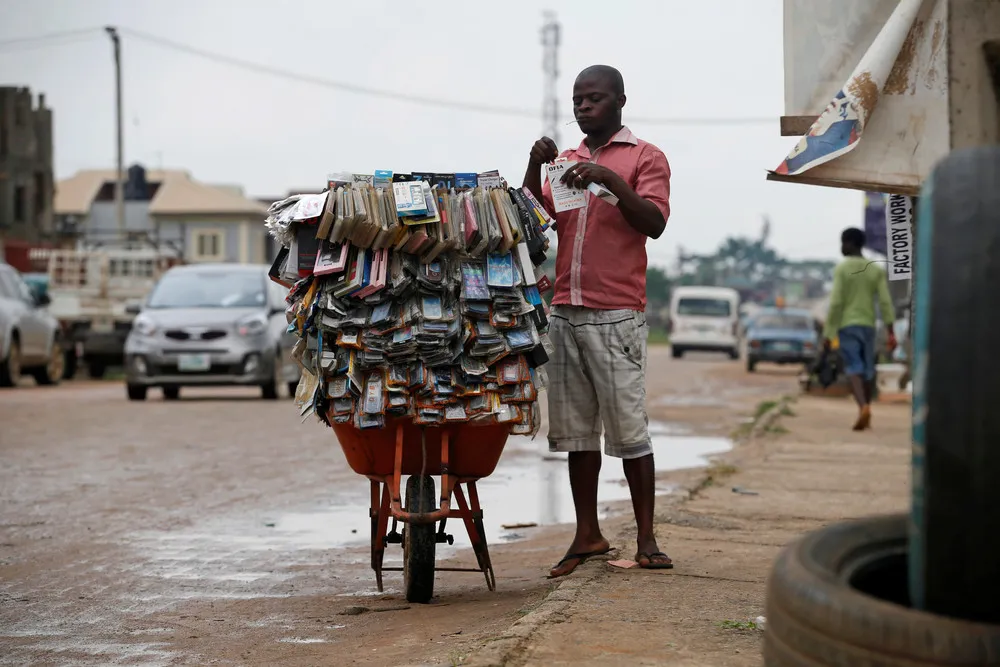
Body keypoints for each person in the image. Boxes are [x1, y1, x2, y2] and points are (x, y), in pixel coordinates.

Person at [522, 65, 672, 577]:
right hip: (565, 310)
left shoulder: (645, 157)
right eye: (578, 100)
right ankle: (587, 534)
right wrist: (532, 167)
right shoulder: (564, 163)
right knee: (576, 434)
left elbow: (654, 222)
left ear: (620, 102)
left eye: (594, 99)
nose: (584, 108)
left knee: (630, 431)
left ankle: (647, 538)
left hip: (617, 314)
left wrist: (609, 180)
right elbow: (532, 227)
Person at [823, 227, 896, 430]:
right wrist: (891, 330)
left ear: (851, 243)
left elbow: (836, 302)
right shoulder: (875, 269)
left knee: (854, 367)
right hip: (869, 326)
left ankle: (863, 406)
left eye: (843, 242)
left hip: (848, 326)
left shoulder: (843, 269)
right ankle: (866, 410)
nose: (841, 247)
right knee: (867, 369)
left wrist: (829, 333)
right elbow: (884, 301)